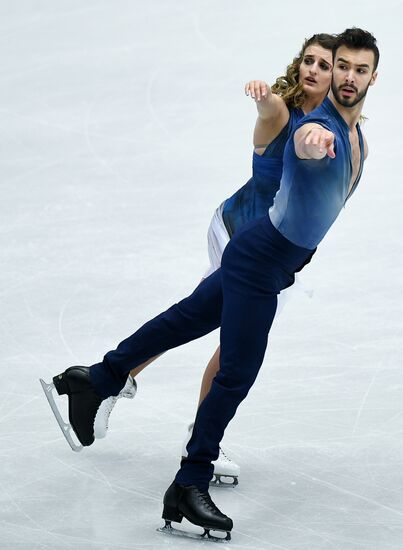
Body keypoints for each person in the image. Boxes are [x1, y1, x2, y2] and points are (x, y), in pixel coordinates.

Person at [41, 28, 378, 542]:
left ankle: (97, 379)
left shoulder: (358, 141)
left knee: (184, 321)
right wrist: (311, 138)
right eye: (341, 67)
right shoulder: (316, 127)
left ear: (373, 75)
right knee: (238, 370)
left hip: (262, 258)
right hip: (259, 261)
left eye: (358, 69)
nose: (347, 77)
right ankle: (189, 480)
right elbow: (306, 144)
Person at [91, 33, 336, 487]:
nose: (314, 70)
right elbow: (271, 112)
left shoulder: (332, 123)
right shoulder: (285, 112)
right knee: (215, 330)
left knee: (206, 325)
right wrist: (263, 96)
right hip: (238, 236)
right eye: (309, 60)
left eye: (324, 64)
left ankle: (112, 382)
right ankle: (122, 390)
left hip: (264, 252)